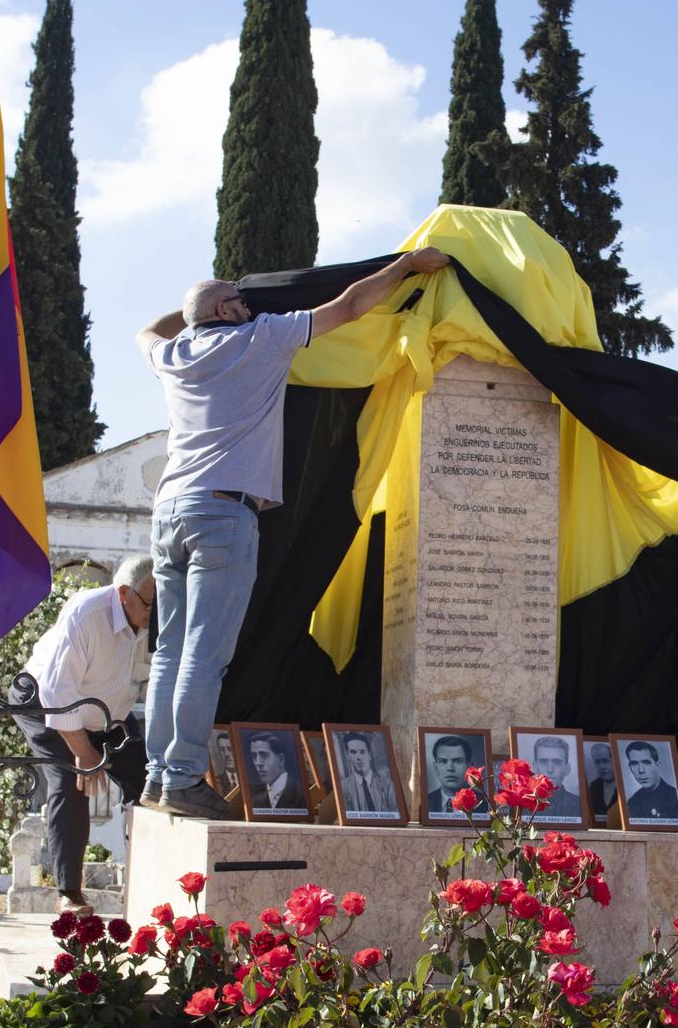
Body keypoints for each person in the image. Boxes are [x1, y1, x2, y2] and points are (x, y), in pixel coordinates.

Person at [136, 247, 452, 819]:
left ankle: (158, 776)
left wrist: (205, 307)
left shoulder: (175, 354)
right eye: (240, 300)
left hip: (169, 511)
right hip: (223, 514)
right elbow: (351, 304)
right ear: (229, 312)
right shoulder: (260, 339)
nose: (249, 305)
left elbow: (146, 330)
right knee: (203, 658)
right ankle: (182, 777)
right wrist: (406, 267)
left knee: (168, 654)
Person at [17, 556, 157, 914]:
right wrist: (83, 751)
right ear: (124, 593)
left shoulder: (148, 619)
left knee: (150, 779)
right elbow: (57, 694)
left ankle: (151, 877)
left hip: (109, 714)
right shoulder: (88, 613)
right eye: (148, 603)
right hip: (46, 702)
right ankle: (70, 893)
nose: (153, 612)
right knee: (71, 780)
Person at [338, 732, 399, 814]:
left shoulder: (387, 784)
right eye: (353, 752)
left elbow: (395, 813)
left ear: (369, 755)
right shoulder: (344, 787)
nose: (358, 757)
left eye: (362, 752)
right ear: (348, 756)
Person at [245, 732, 306, 812]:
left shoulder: (302, 795)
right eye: (254, 756)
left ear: (281, 759)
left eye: (264, 755)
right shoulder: (256, 801)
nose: (258, 762)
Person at [622, 741, 678, 820]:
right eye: (634, 764)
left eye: (646, 763)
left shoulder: (675, 799)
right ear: (630, 767)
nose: (641, 770)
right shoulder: (633, 802)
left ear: (658, 764)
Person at [423, 734, 479, 816]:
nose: (450, 768)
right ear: (435, 767)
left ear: (470, 767)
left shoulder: (485, 804)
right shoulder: (424, 803)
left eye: (458, 761)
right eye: (442, 761)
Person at [531, 736, 582, 819]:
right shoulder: (521, 806)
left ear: (567, 769)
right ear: (535, 767)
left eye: (557, 762)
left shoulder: (578, 805)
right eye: (543, 762)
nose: (550, 769)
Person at [585, 741, 617, 818]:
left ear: (614, 761)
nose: (602, 766)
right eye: (597, 762)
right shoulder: (594, 786)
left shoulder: (624, 786)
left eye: (605, 761)